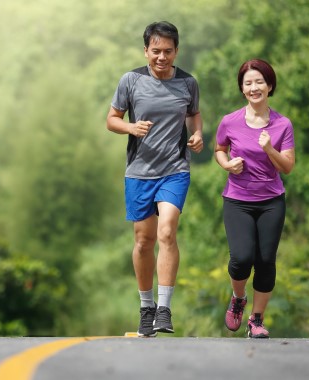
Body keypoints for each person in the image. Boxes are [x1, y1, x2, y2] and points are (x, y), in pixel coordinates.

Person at [106, 21, 203, 337]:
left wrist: (198, 134)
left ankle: (164, 308)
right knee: (143, 241)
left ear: (177, 51)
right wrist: (130, 128)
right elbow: (111, 120)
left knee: (167, 232)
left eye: (168, 51)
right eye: (156, 51)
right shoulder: (131, 80)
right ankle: (146, 307)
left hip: (175, 170)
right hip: (139, 172)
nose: (162, 57)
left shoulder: (187, 83)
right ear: (146, 50)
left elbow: (193, 113)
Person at [214, 59, 295, 339]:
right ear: (242, 89)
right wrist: (226, 165)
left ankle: (256, 320)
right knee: (241, 258)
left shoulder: (282, 124)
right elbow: (219, 149)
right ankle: (238, 298)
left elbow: (287, 166)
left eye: (259, 81)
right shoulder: (230, 121)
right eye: (248, 83)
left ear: (270, 86)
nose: (253, 87)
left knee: (265, 260)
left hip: (271, 201)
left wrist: (270, 148)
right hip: (237, 199)